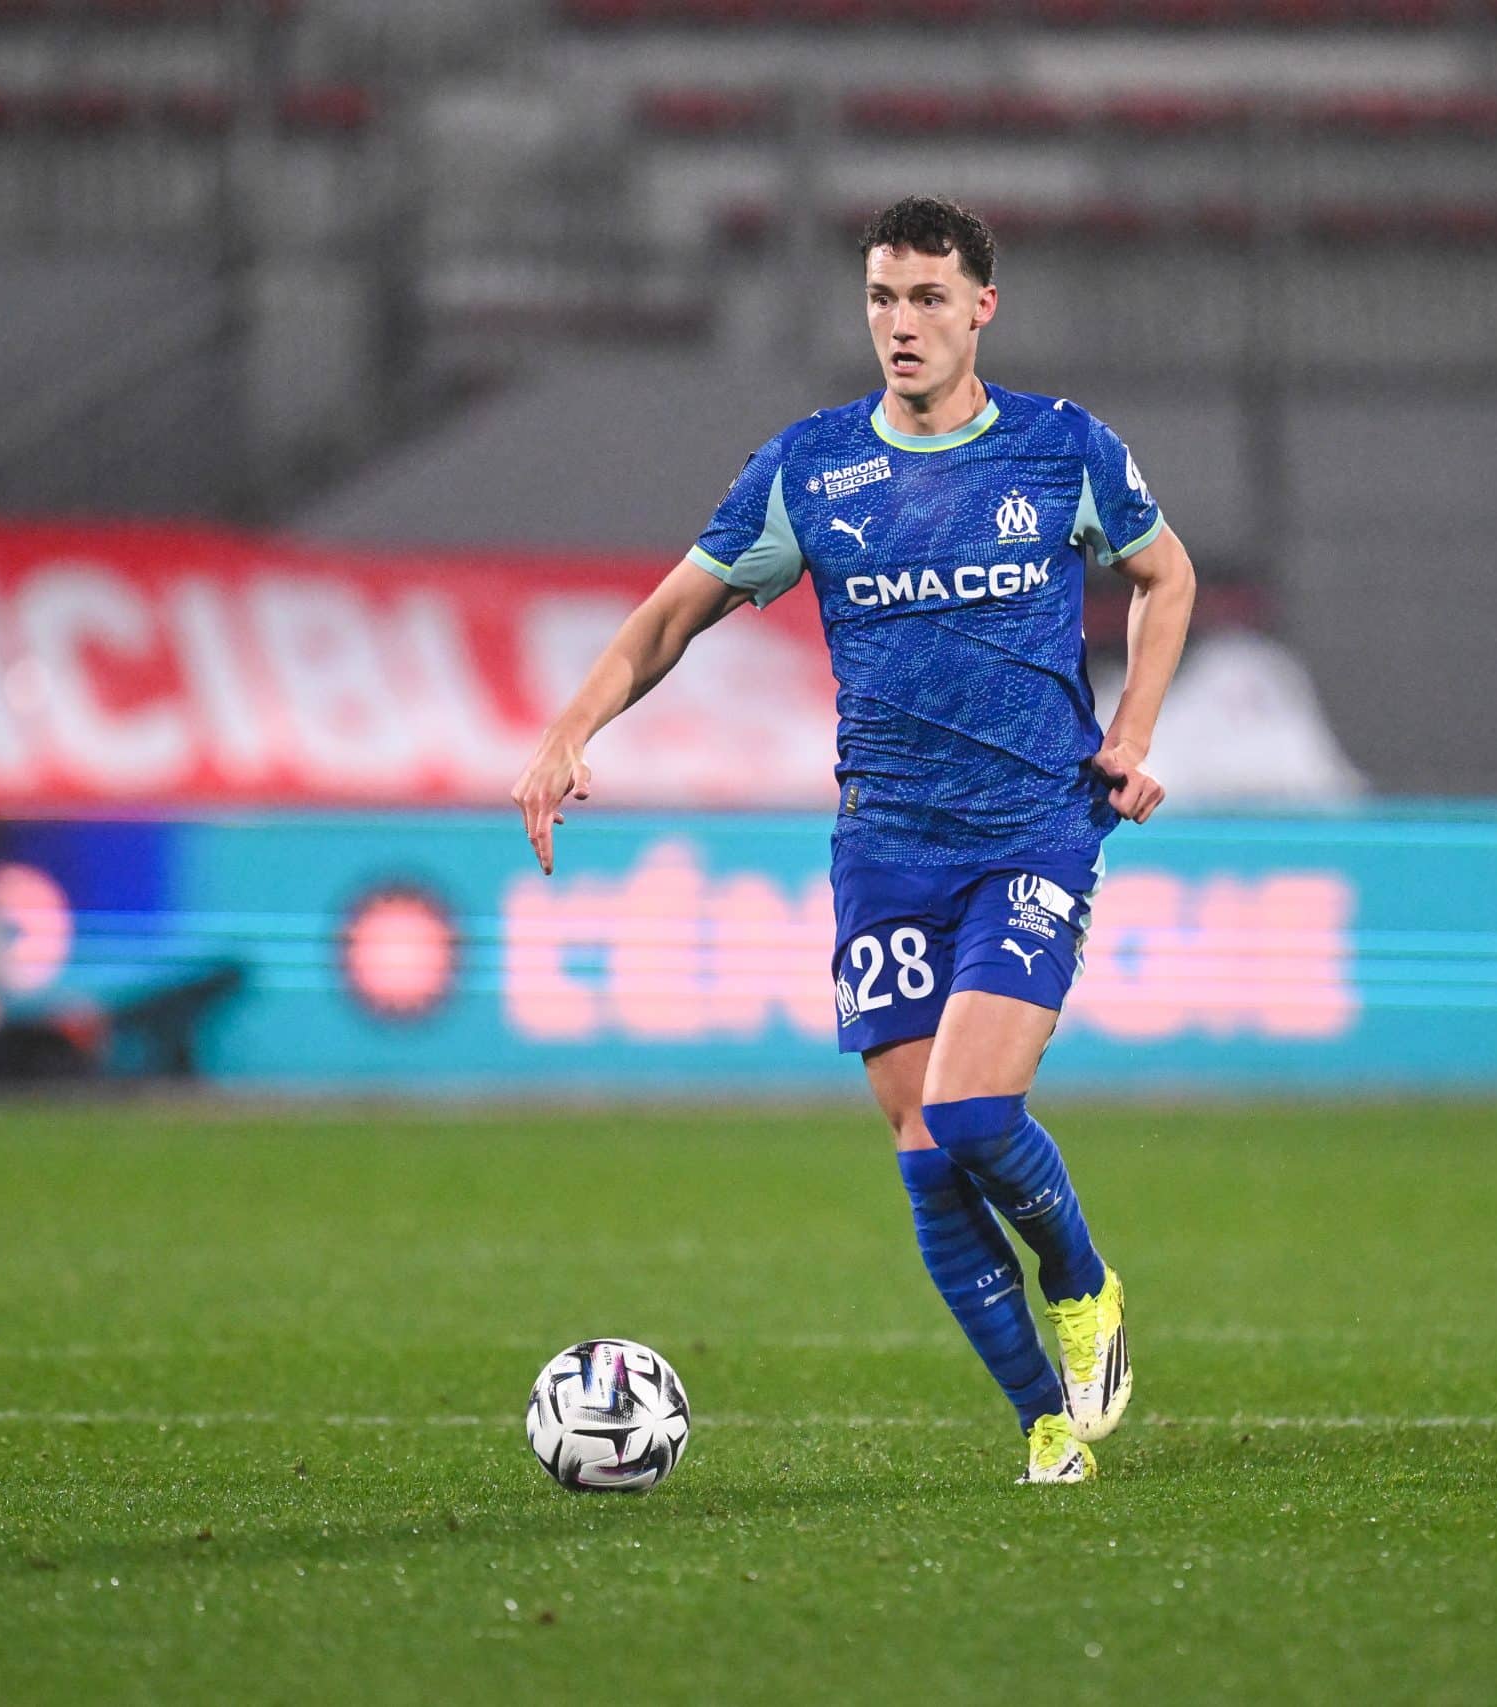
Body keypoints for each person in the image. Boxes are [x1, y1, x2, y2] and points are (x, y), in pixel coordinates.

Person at [512, 196, 1196, 1485]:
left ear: (980, 308)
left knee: (974, 1106)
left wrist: (1133, 733)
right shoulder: (811, 471)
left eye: (928, 298)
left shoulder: (1062, 452)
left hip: (1033, 831)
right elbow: (671, 617)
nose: (901, 323)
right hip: (884, 844)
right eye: (882, 298)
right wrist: (569, 730)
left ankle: (1085, 1284)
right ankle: (1045, 1427)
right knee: (924, 1150)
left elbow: (1168, 577)